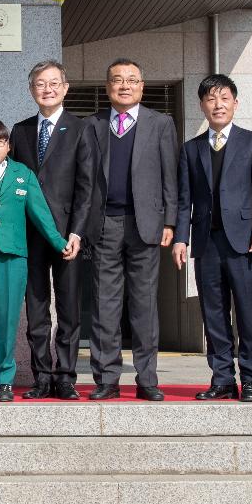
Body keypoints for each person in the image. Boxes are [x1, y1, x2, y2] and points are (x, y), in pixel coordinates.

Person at [0, 119, 74, 402]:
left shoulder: (23, 174)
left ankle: (4, 379)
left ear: (8, 145)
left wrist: (59, 243)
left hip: (14, 258)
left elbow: (41, 214)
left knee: (8, 321)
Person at [173, 75, 252, 402]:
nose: (218, 105)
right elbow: (183, 197)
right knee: (213, 315)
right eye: (211, 100)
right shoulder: (192, 148)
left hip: (245, 242)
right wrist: (180, 238)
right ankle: (222, 378)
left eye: (224, 98)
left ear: (235, 103)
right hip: (206, 243)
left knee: (248, 313)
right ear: (202, 105)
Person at [83, 58, 177, 401]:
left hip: (146, 223)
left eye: (131, 80)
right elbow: (86, 178)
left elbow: (171, 174)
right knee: (104, 303)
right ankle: (106, 378)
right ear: (108, 87)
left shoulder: (160, 123)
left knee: (144, 303)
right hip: (105, 223)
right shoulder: (91, 124)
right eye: (117, 80)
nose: (124, 85)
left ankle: (147, 378)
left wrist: (171, 221)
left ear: (142, 86)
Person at [10, 61, 92, 400]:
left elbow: (88, 187)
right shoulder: (20, 130)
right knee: (37, 310)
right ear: (32, 90)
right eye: (41, 84)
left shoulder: (81, 128)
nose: (48, 89)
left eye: (54, 83)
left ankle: (66, 377)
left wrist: (76, 233)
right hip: (29, 235)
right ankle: (41, 376)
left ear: (65, 88)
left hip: (66, 237)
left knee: (70, 310)